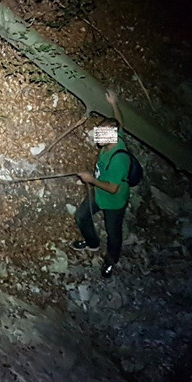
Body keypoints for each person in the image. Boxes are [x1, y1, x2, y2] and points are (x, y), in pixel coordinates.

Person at [71, 91, 133, 278]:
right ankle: (92, 243)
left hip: (114, 202)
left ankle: (111, 262)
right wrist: (114, 104)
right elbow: (120, 122)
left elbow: (113, 188)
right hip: (98, 193)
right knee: (82, 216)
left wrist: (91, 180)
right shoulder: (116, 136)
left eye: (101, 135)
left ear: (112, 137)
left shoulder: (119, 160)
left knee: (113, 233)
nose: (97, 137)